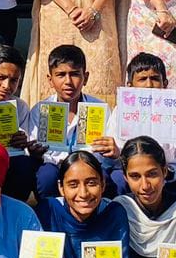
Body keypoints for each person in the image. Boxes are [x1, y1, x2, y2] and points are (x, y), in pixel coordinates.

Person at [31, 44, 118, 201]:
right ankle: (51, 213)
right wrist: (34, 151)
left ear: (86, 77)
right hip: (54, 167)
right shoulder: (41, 110)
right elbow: (34, 147)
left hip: (89, 166)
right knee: (45, 176)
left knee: (104, 178)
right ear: (50, 80)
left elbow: (105, 156)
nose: (68, 81)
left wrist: (111, 150)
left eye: (75, 74)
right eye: (61, 75)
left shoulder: (100, 109)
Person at [118, 52, 176, 196]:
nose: (149, 85)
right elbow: (117, 152)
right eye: (142, 79)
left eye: (155, 79)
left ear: (165, 83)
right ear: (130, 85)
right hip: (136, 174)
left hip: (170, 174)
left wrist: (168, 171)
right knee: (117, 179)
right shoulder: (121, 111)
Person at [0, 42, 43, 201]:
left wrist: (23, 141)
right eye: (1, 78)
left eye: (14, 80)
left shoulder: (19, 106)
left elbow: (26, 144)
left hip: (9, 163)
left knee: (25, 164)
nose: (6, 86)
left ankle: (14, 208)